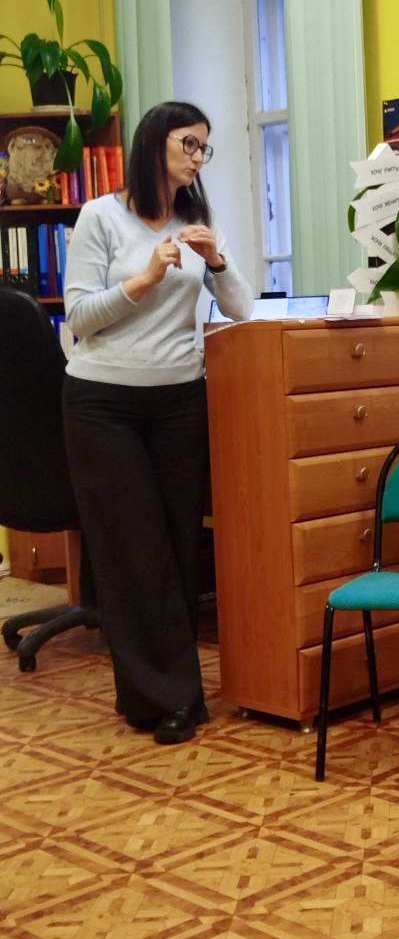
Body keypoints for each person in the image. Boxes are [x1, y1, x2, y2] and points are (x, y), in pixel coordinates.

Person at [62, 101, 254, 745]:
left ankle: (152, 694)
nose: (198, 158)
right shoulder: (101, 217)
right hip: (103, 404)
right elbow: (79, 317)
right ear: (155, 144)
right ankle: (173, 699)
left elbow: (242, 309)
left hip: (178, 402)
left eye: (204, 148)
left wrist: (217, 260)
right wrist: (144, 279)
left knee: (176, 546)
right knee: (133, 554)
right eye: (188, 144)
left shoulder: (197, 222)